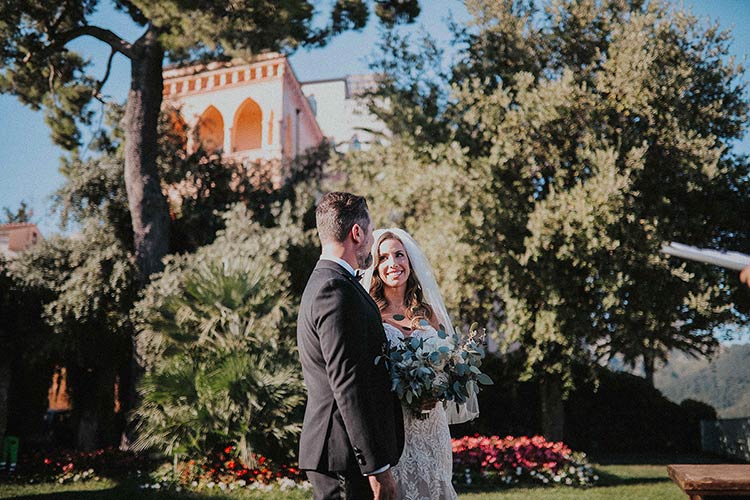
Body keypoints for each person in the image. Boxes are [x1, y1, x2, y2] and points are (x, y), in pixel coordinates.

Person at [297, 192, 404, 500]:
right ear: (357, 233)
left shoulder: (328, 282)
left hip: (340, 452)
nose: (371, 240)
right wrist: (376, 468)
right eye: (370, 233)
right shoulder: (335, 289)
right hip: (343, 455)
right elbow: (347, 384)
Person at [362, 228, 479, 500]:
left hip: (432, 427)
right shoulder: (371, 317)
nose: (393, 264)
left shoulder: (429, 313)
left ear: (409, 261)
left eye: (399, 255)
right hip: (396, 428)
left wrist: (436, 390)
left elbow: (449, 366)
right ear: (375, 267)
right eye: (383, 258)